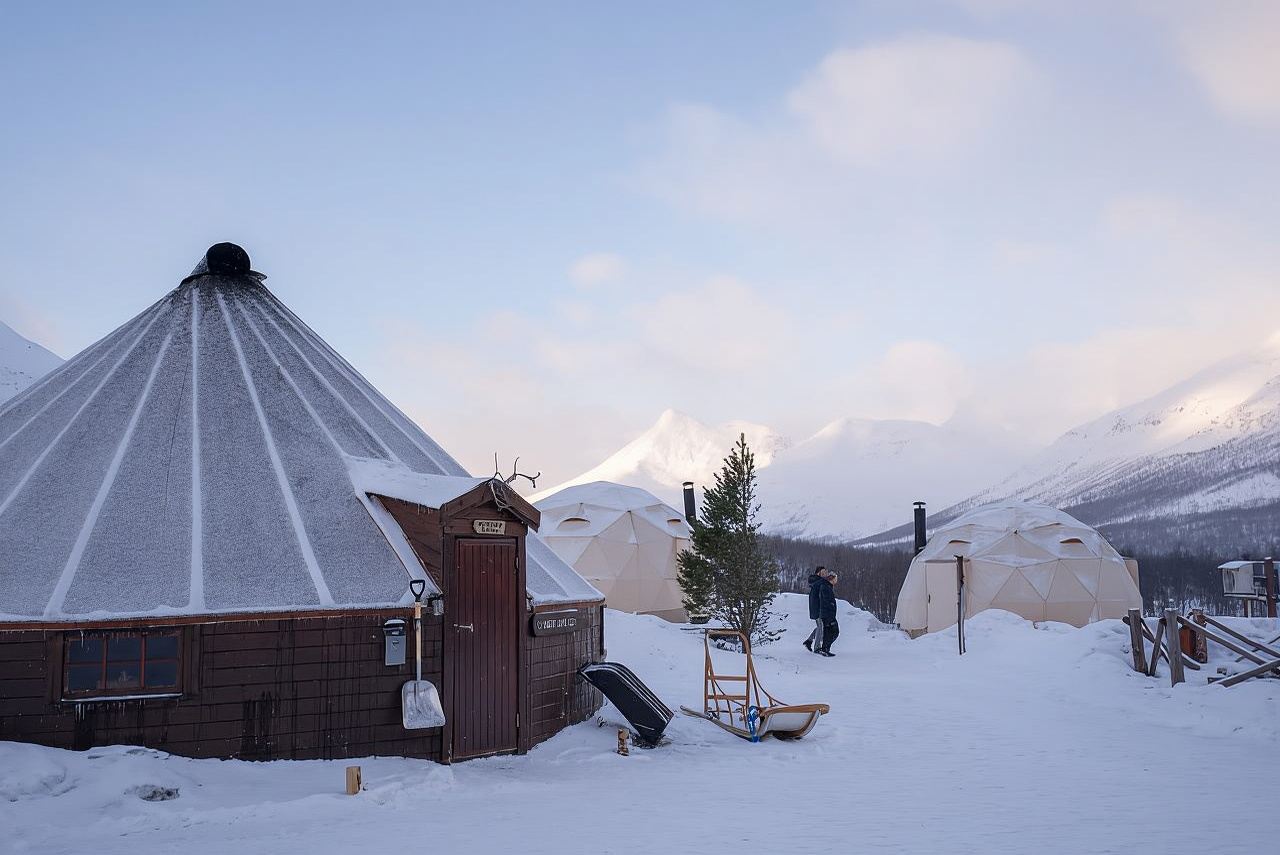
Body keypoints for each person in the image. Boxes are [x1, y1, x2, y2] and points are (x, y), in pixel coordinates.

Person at [804, 567, 830, 653]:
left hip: (819, 608)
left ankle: (809, 641)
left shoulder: (818, 581)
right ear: (818, 573)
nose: (825, 573)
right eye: (823, 572)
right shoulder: (817, 581)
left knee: (822, 626)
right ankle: (817, 648)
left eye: (825, 571)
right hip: (818, 608)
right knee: (821, 626)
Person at [817, 573, 839, 656]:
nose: (836, 581)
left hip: (828, 613)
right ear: (832, 579)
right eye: (835, 579)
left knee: (829, 631)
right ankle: (825, 649)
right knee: (834, 631)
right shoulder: (825, 587)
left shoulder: (827, 586)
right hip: (827, 614)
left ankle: (825, 649)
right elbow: (826, 601)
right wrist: (831, 606)